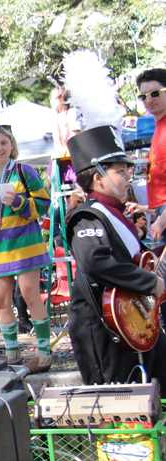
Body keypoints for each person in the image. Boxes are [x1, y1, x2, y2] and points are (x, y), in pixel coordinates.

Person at [65, 125, 166, 384]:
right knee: (118, 399)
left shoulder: (114, 212)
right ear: (99, 178)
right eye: (120, 171)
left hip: (133, 318)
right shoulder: (87, 216)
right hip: (104, 327)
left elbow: (131, 258)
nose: (128, 176)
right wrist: (149, 282)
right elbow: (95, 261)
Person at [0, 125, 53, 373]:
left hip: (26, 245)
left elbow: (43, 203)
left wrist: (18, 201)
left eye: (4, 143)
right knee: (0, 301)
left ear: (12, 145)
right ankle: (13, 354)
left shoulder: (24, 172)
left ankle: (44, 354)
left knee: (30, 295)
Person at [140, 70, 166, 239]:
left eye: (155, 93)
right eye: (143, 96)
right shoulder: (159, 126)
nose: (149, 100)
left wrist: (162, 220)